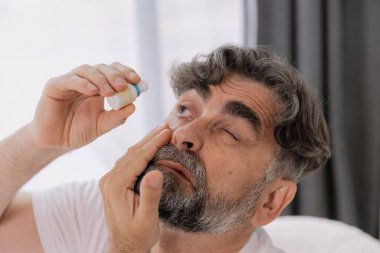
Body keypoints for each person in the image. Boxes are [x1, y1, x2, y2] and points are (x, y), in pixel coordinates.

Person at [0, 44, 331, 253]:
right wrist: (40, 141)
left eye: (228, 131)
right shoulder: (105, 209)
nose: (185, 133)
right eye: (185, 109)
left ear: (271, 201)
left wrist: (128, 249)